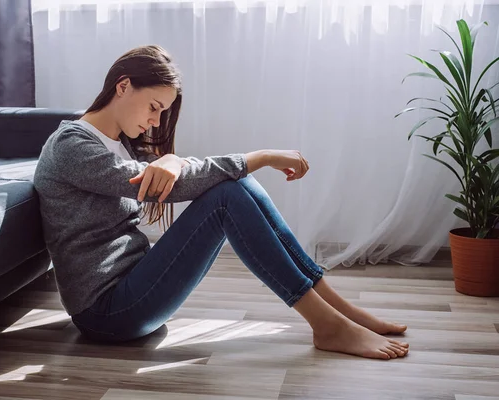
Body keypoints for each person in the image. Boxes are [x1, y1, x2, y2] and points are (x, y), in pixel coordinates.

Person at [33, 45, 409, 360]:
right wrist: (260, 156)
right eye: (153, 106)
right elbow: (163, 187)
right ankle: (327, 325)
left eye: (162, 112)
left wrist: (175, 160)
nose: (154, 121)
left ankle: (335, 308)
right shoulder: (72, 147)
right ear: (123, 86)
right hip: (106, 312)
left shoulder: (118, 141)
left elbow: (185, 173)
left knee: (234, 183)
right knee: (228, 193)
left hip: (134, 287)